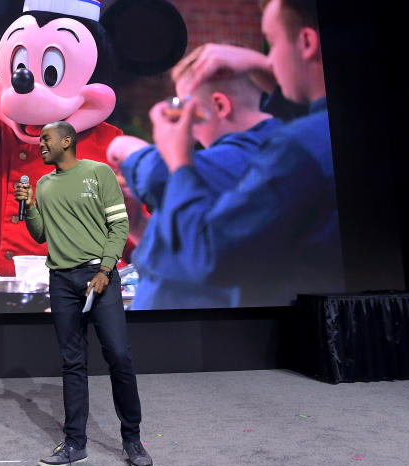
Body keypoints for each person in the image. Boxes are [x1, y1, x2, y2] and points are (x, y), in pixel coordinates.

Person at [149, 0, 344, 306]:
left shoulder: (296, 149)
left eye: (271, 43)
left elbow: (210, 256)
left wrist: (178, 161)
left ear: (308, 42)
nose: (269, 58)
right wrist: (262, 65)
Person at [15, 122, 153, 466]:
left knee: (119, 356)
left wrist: (105, 271)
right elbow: (40, 235)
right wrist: (29, 206)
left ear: (67, 140)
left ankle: (132, 439)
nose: (40, 144)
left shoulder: (99, 172)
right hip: (61, 280)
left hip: (99, 275)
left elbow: (119, 226)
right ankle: (75, 442)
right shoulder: (43, 185)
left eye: (46, 139)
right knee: (72, 362)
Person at [107, 45, 283, 309]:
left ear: (220, 106)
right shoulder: (218, 172)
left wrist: (127, 149)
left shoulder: (252, 153)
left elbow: (158, 174)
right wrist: (139, 225)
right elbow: (189, 251)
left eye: (189, 113)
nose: (189, 129)